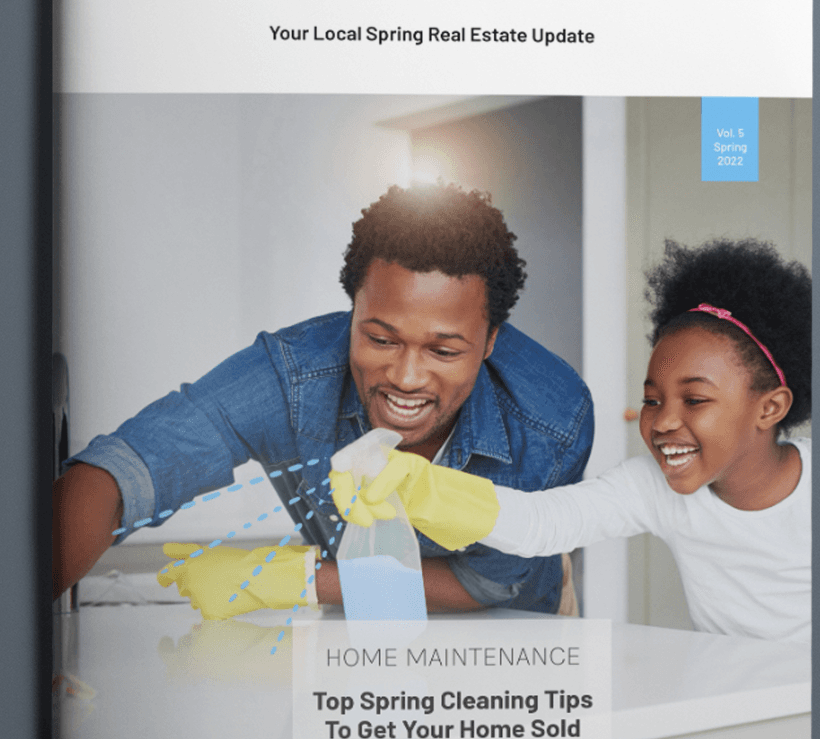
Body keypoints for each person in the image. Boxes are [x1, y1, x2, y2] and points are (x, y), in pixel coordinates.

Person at [52, 182, 594, 615]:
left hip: (512, 635)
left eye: (443, 351)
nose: (406, 377)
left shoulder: (552, 422)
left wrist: (298, 580)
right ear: (351, 313)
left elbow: (485, 586)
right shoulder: (291, 379)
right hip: (355, 617)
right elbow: (125, 473)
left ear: (490, 342)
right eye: (380, 339)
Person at [336, 237, 811, 642]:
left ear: (770, 408)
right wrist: (425, 489)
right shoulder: (655, 487)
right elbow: (545, 523)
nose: (663, 422)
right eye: (652, 400)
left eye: (695, 401)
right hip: (736, 692)